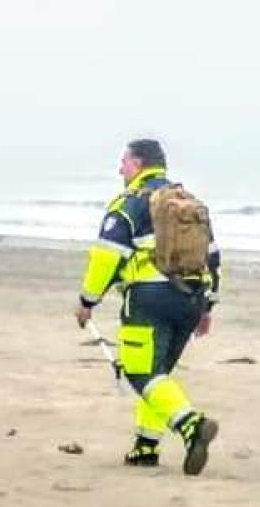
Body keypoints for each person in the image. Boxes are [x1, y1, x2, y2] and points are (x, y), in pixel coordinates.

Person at [74, 138, 221, 473]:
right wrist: (208, 306)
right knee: (159, 375)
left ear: (138, 164)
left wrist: (87, 301)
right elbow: (212, 256)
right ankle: (145, 446)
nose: (120, 169)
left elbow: (106, 255)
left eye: (124, 162)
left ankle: (192, 426)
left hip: (149, 299)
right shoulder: (190, 203)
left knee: (141, 372)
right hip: (191, 298)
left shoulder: (130, 203)